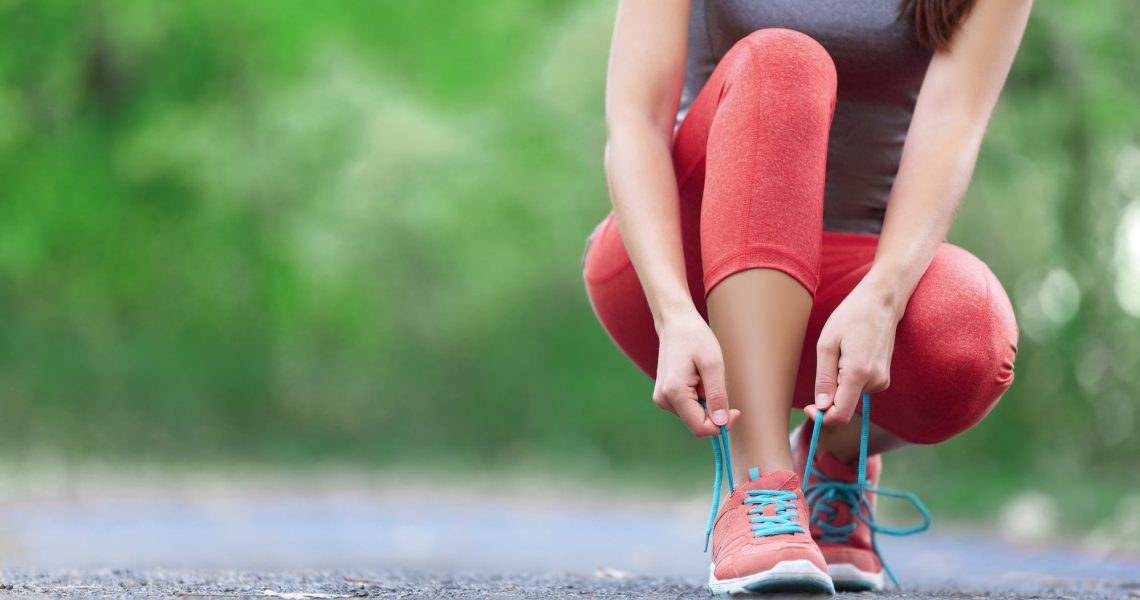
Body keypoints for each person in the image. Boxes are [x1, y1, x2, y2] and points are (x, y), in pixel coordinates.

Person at [582, 0, 1031, 594]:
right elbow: (635, 118)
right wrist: (671, 309)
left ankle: (833, 455)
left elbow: (954, 123)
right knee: (784, 60)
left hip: (852, 293)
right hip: (679, 271)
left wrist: (885, 296)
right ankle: (760, 489)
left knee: (971, 334)